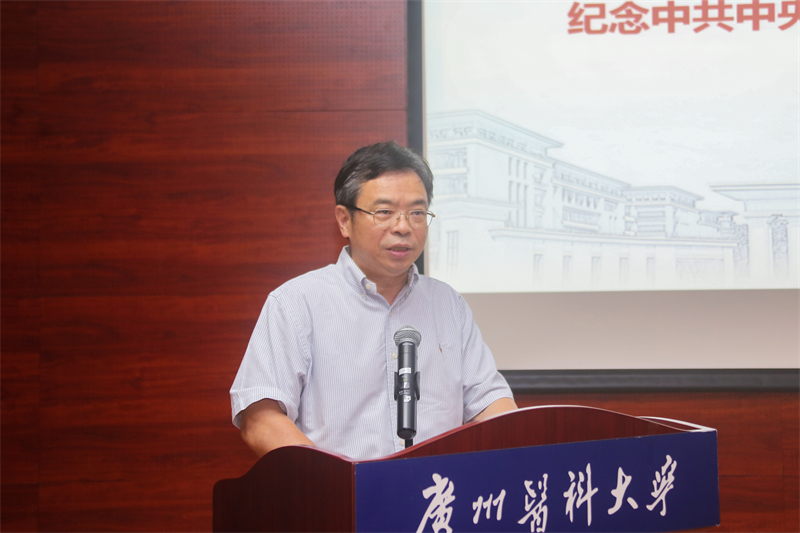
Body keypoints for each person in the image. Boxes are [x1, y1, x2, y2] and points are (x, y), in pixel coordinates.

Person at [230, 141, 516, 461]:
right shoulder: (296, 303)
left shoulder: (448, 304)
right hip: (340, 489)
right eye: (384, 212)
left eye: (417, 212)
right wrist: (335, 481)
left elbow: (490, 402)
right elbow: (260, 419)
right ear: (344, 220)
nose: (403, 227)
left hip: (434, 489)